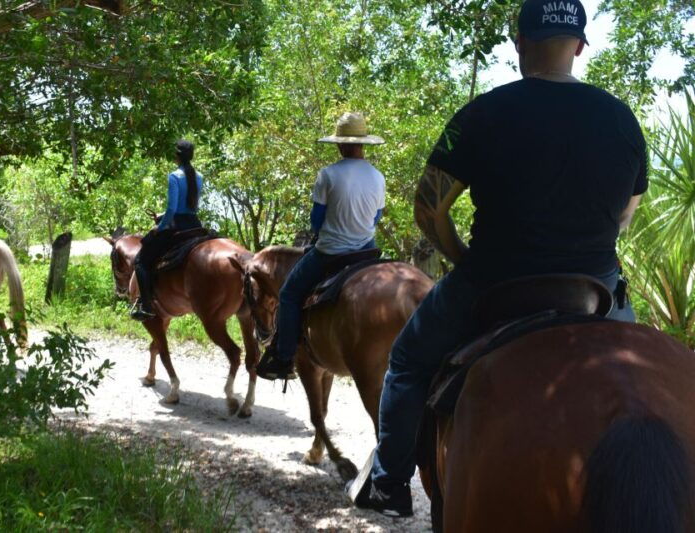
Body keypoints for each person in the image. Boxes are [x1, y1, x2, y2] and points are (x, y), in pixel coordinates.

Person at [352, 0, 648, 517]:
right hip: (595, 284)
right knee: (643, 381)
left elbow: (428, 209)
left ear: (519, 45)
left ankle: (389, 483)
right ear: (579, 46)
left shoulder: (483, 112)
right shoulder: (623, 120)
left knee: (405, 363)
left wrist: (460, 255)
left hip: (493, 280)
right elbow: (626, 215)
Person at [255, 112, 386, 380]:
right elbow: (376, 217)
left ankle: (283, 358)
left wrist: (325, 232)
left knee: (290, 294)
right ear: (363, 144)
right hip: (367, 250)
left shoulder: (328, 174)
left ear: (339, 144)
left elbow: (317, 220)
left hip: (331, 251)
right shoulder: (377, 176)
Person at [131, 139, 203, 321]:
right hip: (194, 224)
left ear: (176, 156)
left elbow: (173, 210)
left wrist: (160, 226)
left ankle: (146, 305)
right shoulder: (199, 176)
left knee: (140, 260)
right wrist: (164, 215)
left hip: (177, 225)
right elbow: (189, 207)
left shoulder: (174, 176)